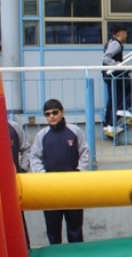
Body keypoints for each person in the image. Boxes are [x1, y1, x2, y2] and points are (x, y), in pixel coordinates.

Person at [30, 99, 90, 245]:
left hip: (73, 188)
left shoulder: (75, 131)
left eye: (55, 112)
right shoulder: (42, 135)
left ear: (62, 112)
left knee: (75, 229)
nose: (51, 116)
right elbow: (35, 157)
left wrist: (79, 171)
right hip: (50, 189)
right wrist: (42, 174)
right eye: (47, 114)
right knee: (53, 230)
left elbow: (84, 152)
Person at [102, 23, 132, 136]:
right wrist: (122, 67)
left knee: (113, 99)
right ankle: (122, 109)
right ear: (120, 34)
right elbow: (106, 58)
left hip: (109, 75)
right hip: (116, 75)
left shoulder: (110, 42)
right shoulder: (116, 44)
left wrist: (126, 68)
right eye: (125, 33)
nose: (127, 36)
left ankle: (109, 124)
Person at [8, 119, 32, 249]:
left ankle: (24, 249)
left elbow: (26, 149)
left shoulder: (13, 127)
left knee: (17, 218)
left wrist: (22, 169)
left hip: (12, 183)